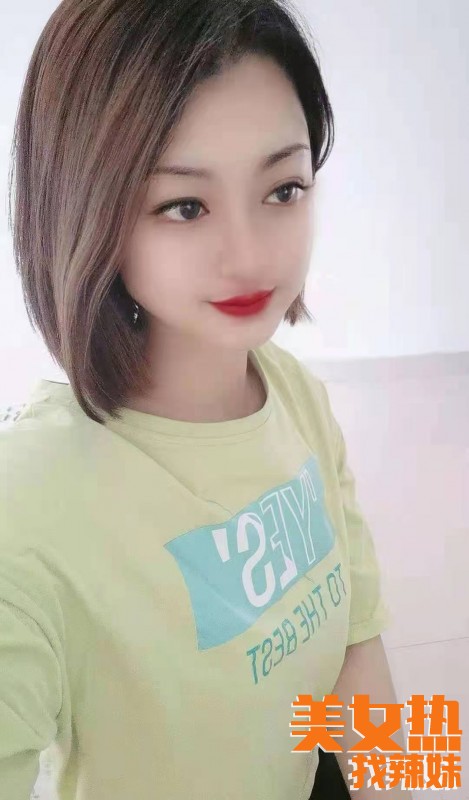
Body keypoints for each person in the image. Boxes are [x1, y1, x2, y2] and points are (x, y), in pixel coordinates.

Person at [1, 1, 407, 799]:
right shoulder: (28, 510)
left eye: (282, 189)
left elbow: (357, 645)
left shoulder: (296, 396)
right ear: (86, 209)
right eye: (184, 206)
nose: (249, 255)